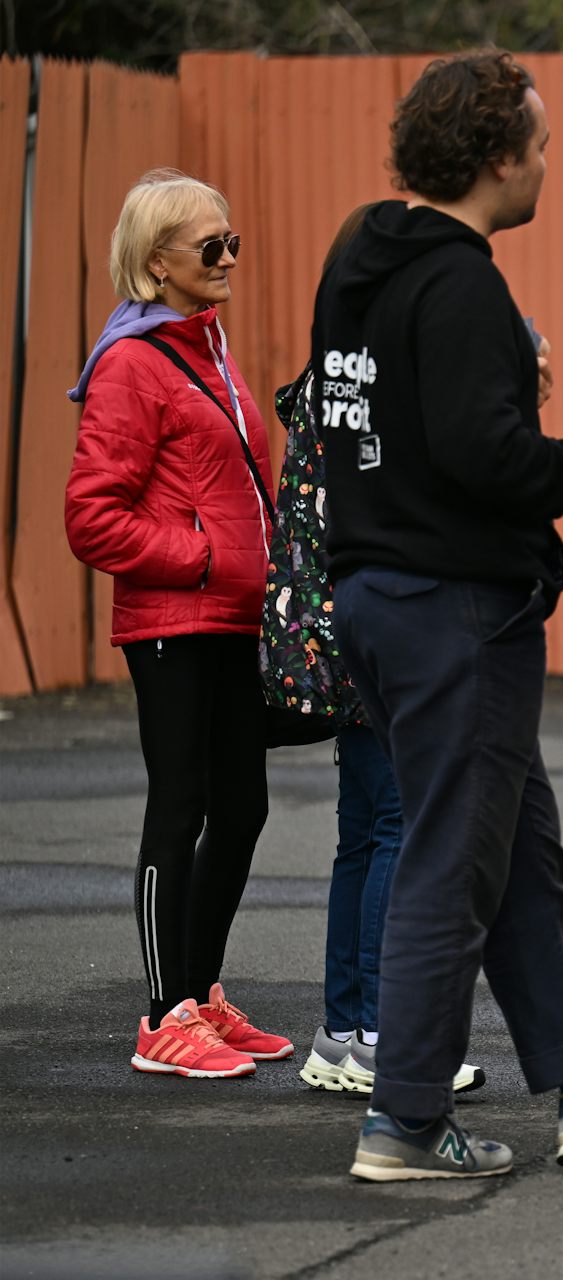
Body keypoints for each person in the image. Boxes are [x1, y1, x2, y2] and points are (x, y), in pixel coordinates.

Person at [314, 50, 563, 1182]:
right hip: (456, 614)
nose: (547, 160)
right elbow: (484, 453)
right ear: (496, 157)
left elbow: (389, 416)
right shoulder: (463, 283)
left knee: (519, 854)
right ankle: (403, 1119)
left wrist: (502, 388)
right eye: (537, 143)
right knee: (453, 858)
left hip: (378, 598)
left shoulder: (361, 254)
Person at [65, 168, 293, 1080]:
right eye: (211, 246)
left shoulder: (212, 351)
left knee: (244, 806)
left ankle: (198, 995)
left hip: (235, 620)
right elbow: (92, 516)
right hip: (173, 621)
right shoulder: (131, 362)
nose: (230, 256)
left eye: (233, 241)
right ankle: (162, 1017)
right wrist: (200, 556)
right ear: (156, 262)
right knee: (181, 806)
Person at [262, 205, 484, 1099]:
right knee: (396, 828)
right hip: (383, 626)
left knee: (364, 831)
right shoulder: (383, 378)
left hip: (331, 628)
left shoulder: (332, 373)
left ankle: (345, 1031)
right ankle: (388, 1034)